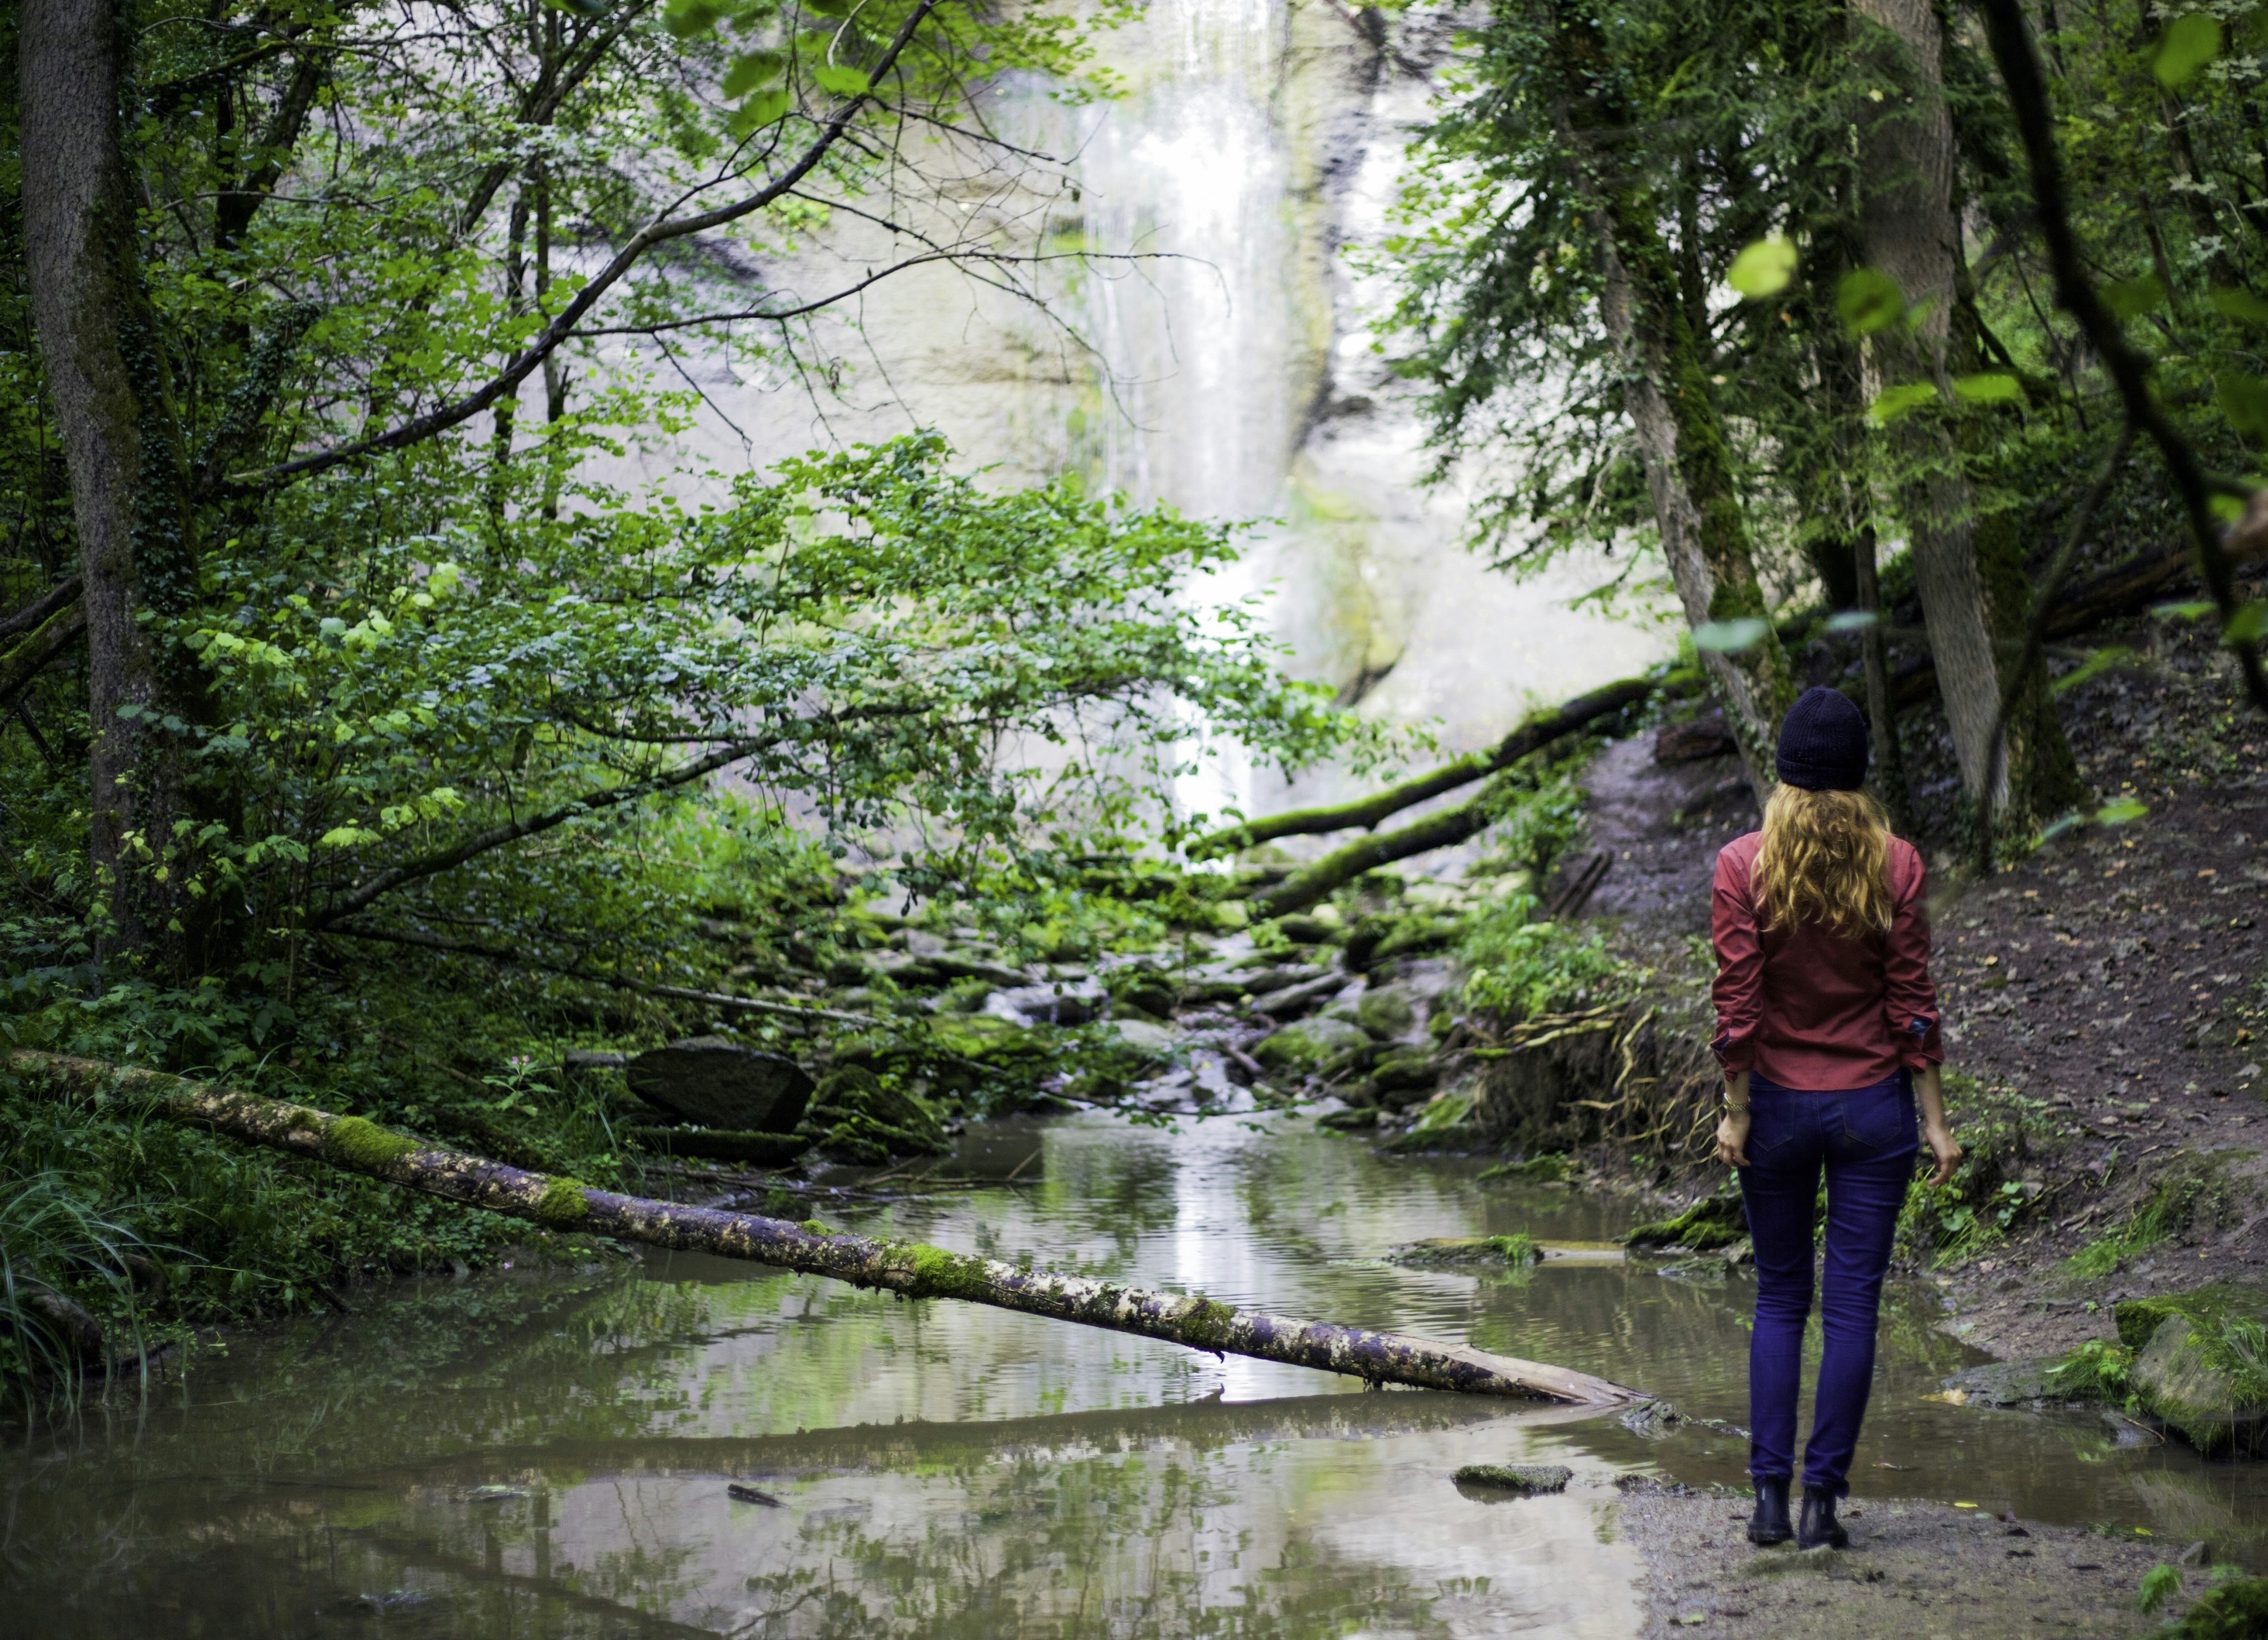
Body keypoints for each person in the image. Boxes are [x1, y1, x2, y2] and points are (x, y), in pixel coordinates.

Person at [1710, 686, 1961, 1551]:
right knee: (1851, 1306)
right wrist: (1935, 1122)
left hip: (1776, 1109)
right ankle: (1821, 1506)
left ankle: (1766, 1504)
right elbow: (1912, 1004)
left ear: (1782, 771)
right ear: (1859, 774)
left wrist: (1736, 1112)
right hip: (1871, 1110)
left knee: (1781, 1298)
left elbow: (1736, 1007)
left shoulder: (1742, 864)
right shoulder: (1897, 864)